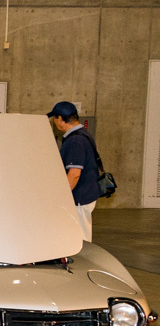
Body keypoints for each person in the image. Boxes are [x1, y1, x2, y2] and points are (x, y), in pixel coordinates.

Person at [48, 100, 100, 242]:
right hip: (85, 194)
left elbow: (74, 174)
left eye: (54, 118)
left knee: (80, 236)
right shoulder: (83, 135)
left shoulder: (75, 141)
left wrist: (61, 196)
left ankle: (82, 263)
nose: (54, 122)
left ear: (60, 119)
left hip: (79, 197)